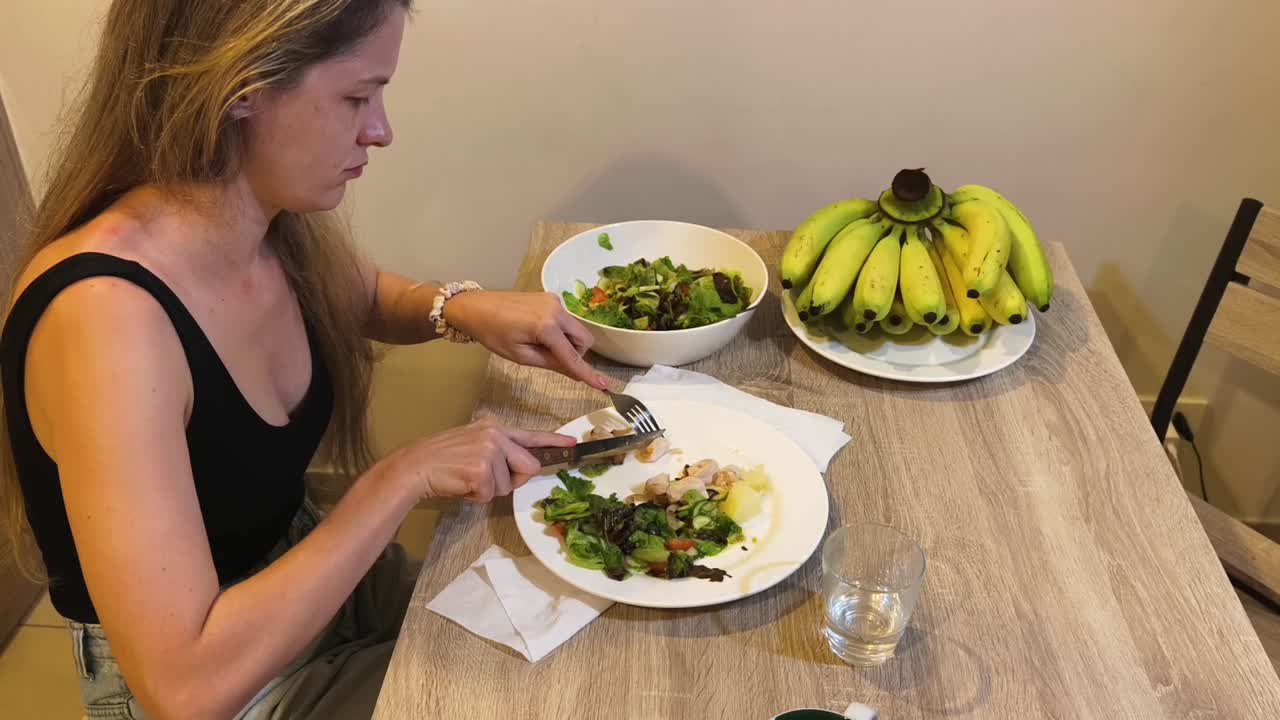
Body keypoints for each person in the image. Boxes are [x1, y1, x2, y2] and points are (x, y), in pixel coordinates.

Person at [0, 1, 610, 717]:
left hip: (308, 568)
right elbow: (185, 686)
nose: (380, 130)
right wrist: (401, 477)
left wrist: (460, 307)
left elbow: (361, 298)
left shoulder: (262, 225)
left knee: (584, 625)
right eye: (357, 96)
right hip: (222, 672)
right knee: (545, 695)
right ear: (241, 86)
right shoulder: (107, 322)